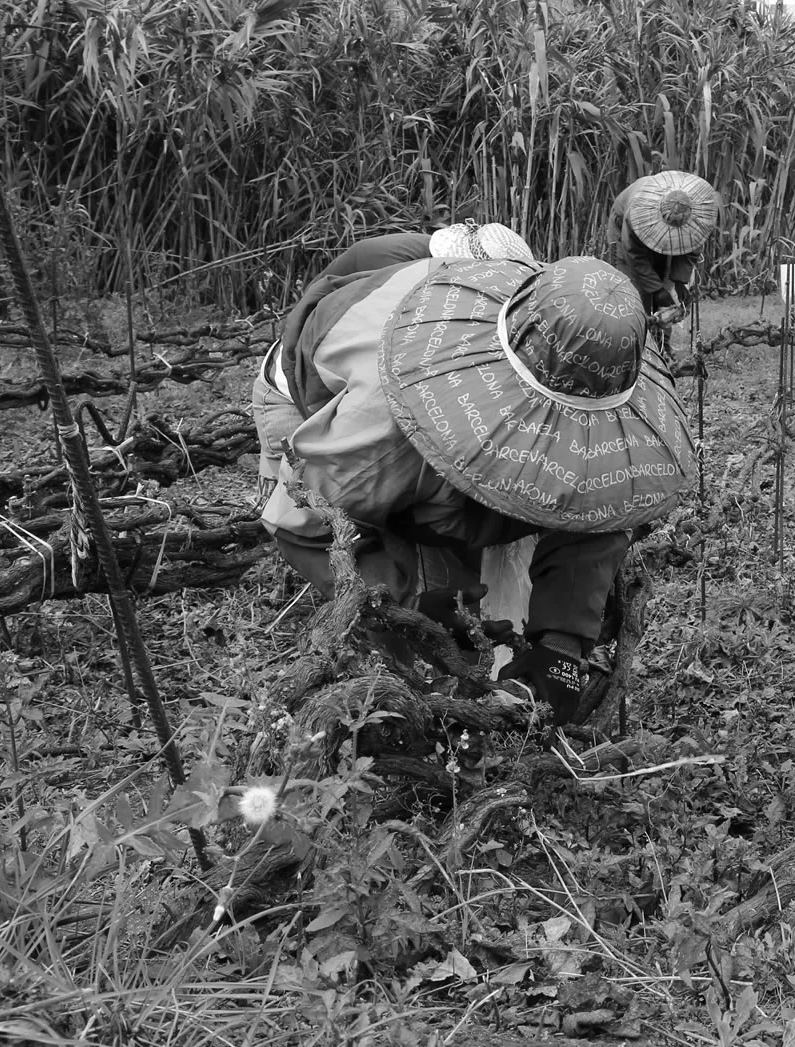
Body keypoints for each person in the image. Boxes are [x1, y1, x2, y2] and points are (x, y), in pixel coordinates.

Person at [251, 226, 694, 725]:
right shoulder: (383, 429)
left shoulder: (577, 338)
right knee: (410, 637)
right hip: (311, 403)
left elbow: (599, 503)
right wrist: (412, 604)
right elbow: (300, 522)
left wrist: (563, 646)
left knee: (488, 591)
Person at [606, 170, 719, 329]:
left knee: (666, 285)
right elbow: (634, 255)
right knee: (635, 290)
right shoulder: (635, 215)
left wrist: (679, 281)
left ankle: (662, 344)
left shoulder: (694, 217)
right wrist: (656, 289)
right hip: (624, 231)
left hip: (658, 225)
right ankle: (638, 340)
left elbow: (692, 248)